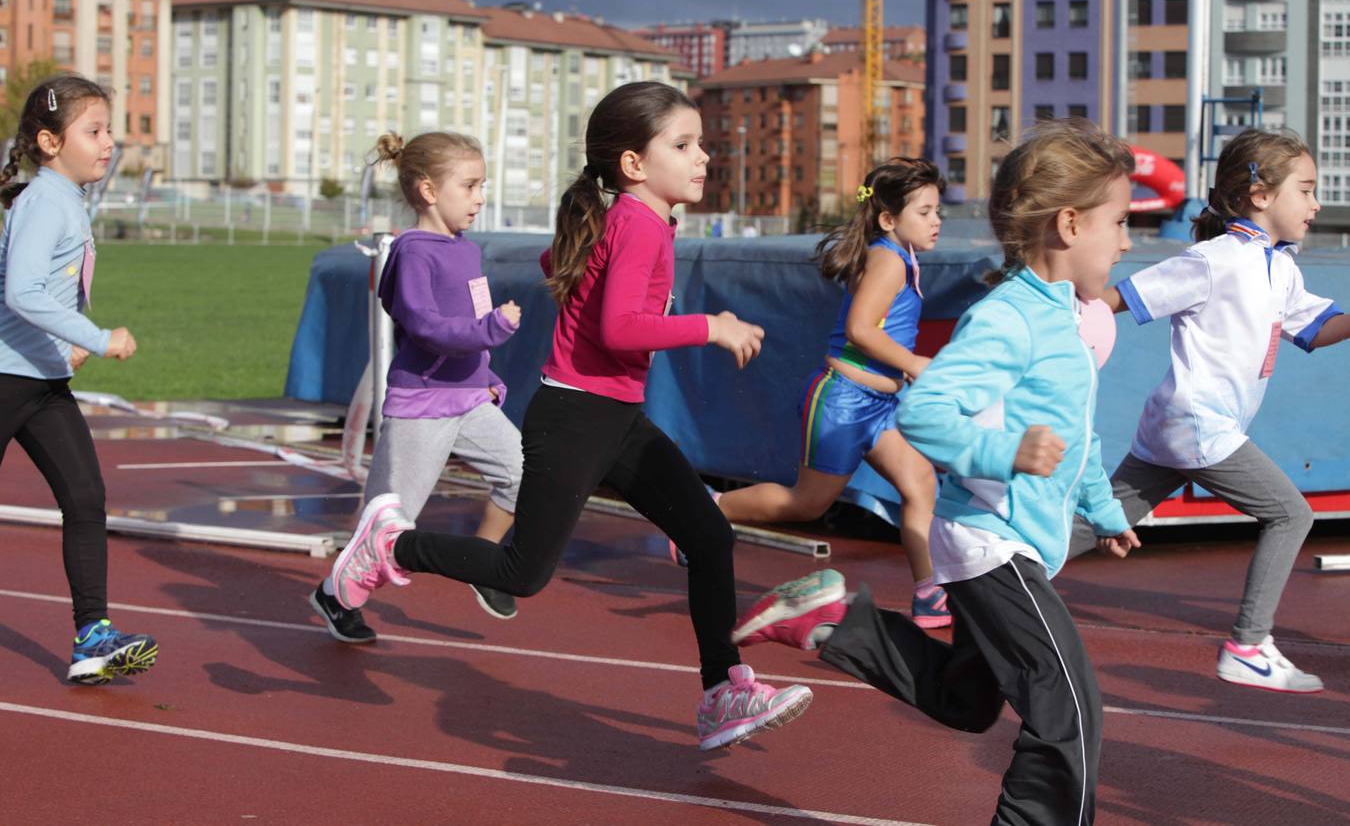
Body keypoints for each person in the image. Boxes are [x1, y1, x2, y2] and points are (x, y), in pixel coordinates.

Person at [326, 82, 812, 750]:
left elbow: (563, 263)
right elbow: (619, 329)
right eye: (684, 144)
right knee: (523, 573)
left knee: (708, 536)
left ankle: (724, 691)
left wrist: (592, 261)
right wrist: (710, 326)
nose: (704, 157)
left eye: (702, 143)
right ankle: (393, 544)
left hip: (616, 418)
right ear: (634, 165)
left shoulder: (628, 219)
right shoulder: (638, 221)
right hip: (578, 418)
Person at [732, 119, 1138, 823]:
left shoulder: (1064, 320)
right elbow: (925, 415)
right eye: (1122, 223)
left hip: (1018, 535)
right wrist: (1003, 454)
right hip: (990, 539)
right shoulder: (1009, 318)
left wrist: (1103, 511)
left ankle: (835, 622)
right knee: (1066, 701)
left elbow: (1079, 433)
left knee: (966, 698)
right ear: (1069, 224)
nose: (1128, 241)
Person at [1074, 128, 1350, 693]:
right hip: (1198, 424)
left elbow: (1317, 329)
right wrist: (1051, 310)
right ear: (1261, 195)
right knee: (1291, 514)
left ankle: (982, 572)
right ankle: (1248, 645)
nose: (1316, 203)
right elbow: (1118, 299)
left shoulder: (1281, 266)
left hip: (1178, 428)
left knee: (1103, 519)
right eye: (1306, 189)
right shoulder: (1211, 260)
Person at [713, 158, 949, 627]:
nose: (936, 220)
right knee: (808, 503)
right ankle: (712, 510)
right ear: (888, 218)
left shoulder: (898, 255)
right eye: (924, 211)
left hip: (878, 406)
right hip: (843, 401)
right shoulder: (887, 260)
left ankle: (929, 594)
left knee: (920, 482)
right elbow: (861, 330)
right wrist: (914, 362)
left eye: (937, 209)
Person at [310, 131, 525, 643]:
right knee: (389, 525)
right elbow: (426, 326)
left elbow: (468, 321)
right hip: (423, 406)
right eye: (470, 186)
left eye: (483, 186)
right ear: (428, 190)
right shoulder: (412, 253)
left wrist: (488, 373)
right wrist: (491, 329)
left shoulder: (468, 251)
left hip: (470, 400)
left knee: (525, 475)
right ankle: (336, 595)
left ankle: (482, 560)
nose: (480, 198)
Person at [0, 75, 153, 685]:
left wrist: (64, 340)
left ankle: (93, 636)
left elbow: (37, 291)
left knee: (85, 501)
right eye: (93, 131)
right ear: (48, 141)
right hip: (6, 378)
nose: (108, 142)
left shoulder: (64, 199)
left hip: (40, 382)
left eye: (109, 129)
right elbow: (20, 290)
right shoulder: (44, 199)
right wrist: (96, 336)